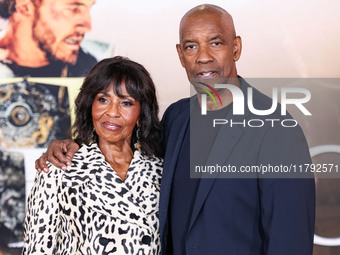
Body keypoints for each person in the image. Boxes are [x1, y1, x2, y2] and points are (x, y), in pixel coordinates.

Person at [35, 4, 315, 255]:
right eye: (191, 46)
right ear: (181, 55)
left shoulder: (276, 128)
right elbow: (125, 148)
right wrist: (74, 145)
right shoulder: (176, 118)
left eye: (215, 43)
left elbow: (290, 240)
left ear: (236, 48)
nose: (203, 57)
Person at [23, 56, 163, 254]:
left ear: (141, 114)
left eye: (126, 103)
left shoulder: (160, 170)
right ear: (90, 106)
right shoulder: (59, 166)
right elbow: (36, 249)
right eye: (103, 100)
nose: (112, 112)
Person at [0, 0, 97, 77]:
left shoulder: (90, 70)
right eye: (73, 8)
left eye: (89, 8)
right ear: (25, 7)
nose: (88, 27)